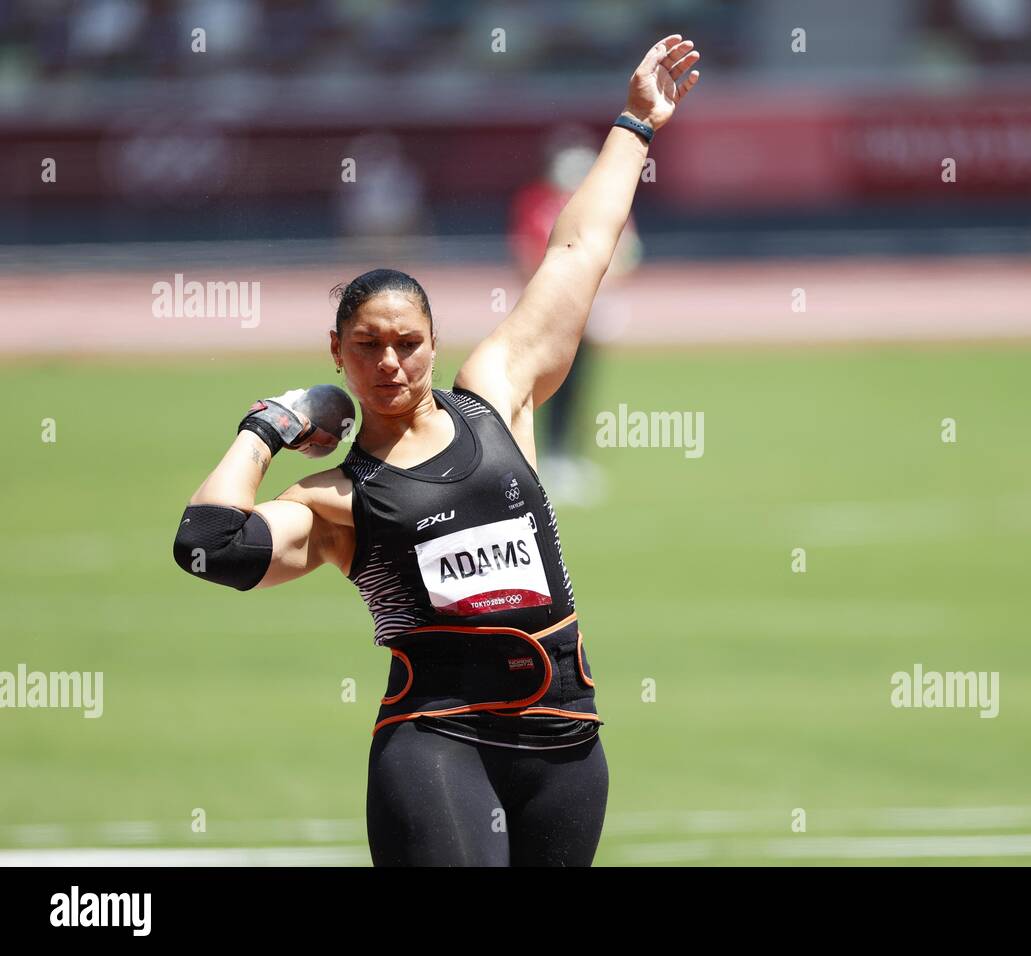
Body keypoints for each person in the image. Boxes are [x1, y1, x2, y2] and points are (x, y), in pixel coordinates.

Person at [170, 35, 701, 867]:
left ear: (433, 343)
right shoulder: (337, 499)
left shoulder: (495, 395)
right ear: (336, 353)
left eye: (408, 344)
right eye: (369, 346)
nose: (390, 363)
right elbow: (208, 548)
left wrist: (635, 123)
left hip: (564, 744)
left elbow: (577, 252)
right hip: (437, 744)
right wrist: (267, 427)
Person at [508, 130, 643, 506]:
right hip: (551, 310)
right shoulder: (539, 203)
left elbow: (625, 252)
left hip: (589, 309)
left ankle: (568, 455)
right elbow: (529, 252)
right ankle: (541, 456)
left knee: (578, 383)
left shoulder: (603, 204)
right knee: (543, 386)